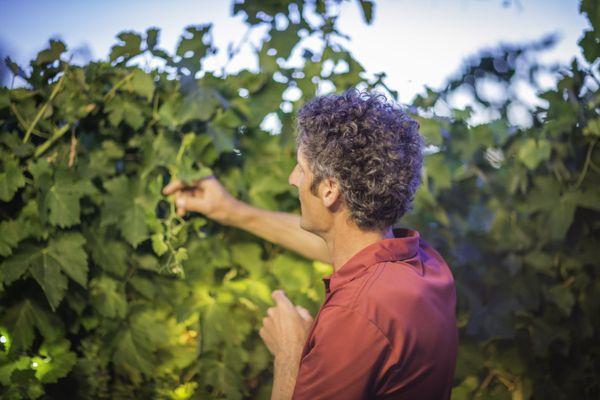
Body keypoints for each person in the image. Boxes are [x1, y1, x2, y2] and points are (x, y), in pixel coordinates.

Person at [162, 89, 458, 399]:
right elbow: (337, 245)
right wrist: (231, 211)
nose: (292, 179)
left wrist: (289, 352)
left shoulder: (356, 313)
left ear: (330, 190)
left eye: (301, 168)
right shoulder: (422, 264)